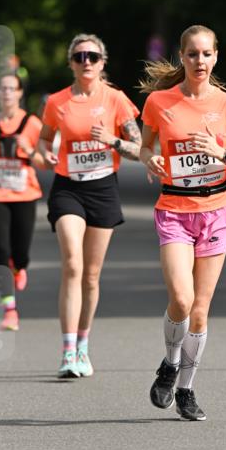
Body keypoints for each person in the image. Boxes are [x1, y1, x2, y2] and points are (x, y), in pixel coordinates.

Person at [139, 24, 226, 421]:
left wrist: (220, 153)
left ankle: (187, 389)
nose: (200, 61)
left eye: (206, 54)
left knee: (201, 310)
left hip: (217, 210)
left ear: (216, 57)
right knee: (181, 299)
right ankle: (170, 364)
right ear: (182, 57)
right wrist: (150, 159)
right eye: (192, 54)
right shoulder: (159, 102)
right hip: (174, 209)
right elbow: (146, 146)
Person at [38, 33, 141, 378]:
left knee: (92, 275)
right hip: (67, 188)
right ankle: (67, 352)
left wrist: (111, 140)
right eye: (80, 56)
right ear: (70, 62)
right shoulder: (57, 102)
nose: (86, 62)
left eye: (92, 57)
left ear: (102, 62)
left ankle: (83, 345)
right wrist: (44, 152)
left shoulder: (116, 100)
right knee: (72, 264)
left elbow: (139, 147)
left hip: (103, 189)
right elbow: (41, 138)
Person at [0, 73, 45, 331]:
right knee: (1, 250)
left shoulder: (32, 123)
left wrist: (28, 151)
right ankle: (9, 309)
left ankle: (21, 266)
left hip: (25, 193)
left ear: (19, 93)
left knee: (21, 251)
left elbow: (44, 162)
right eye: (2, 88)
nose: (6, 93)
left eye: (11, 89)